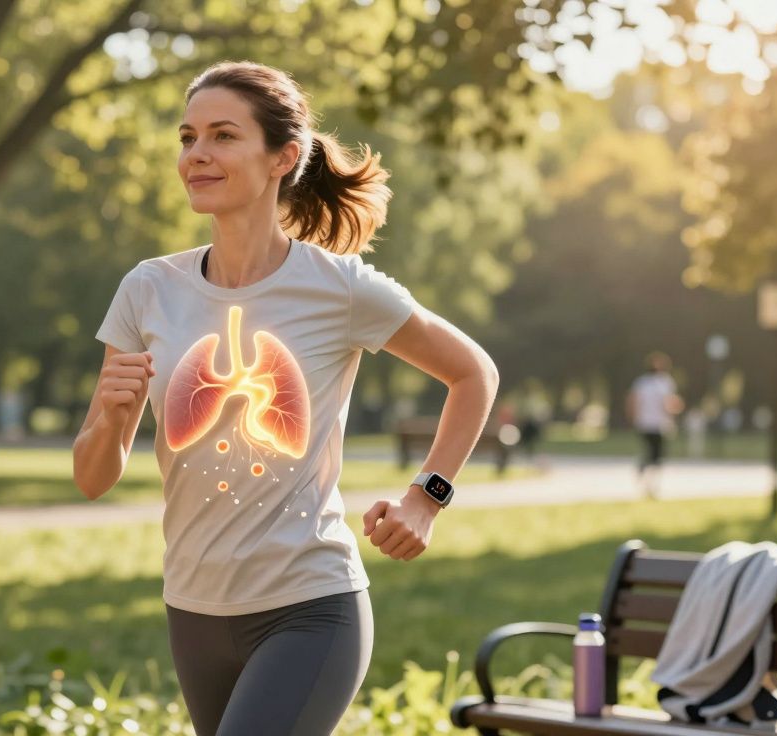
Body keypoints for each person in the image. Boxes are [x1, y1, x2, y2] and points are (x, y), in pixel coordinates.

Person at [72, 61, 499, 736]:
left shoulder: (339, 289)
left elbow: (473, 372)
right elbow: (93, 477)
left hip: (310, 606)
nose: (196, 155)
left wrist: (427, 497)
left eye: (222, 135)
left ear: (283, 157)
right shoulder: (148, 290)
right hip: (193, 609)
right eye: (187, 138)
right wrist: (112, 417)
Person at [626, 351, 684, 498]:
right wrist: (633, 418)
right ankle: (645, 476)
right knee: (651, 453)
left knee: (657, 456)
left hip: (660, 424)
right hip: (645, 423)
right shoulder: (642, 382)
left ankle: (650, 484)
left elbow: (670, 403)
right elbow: (633, 401)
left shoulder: (665, 382)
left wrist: (673, 413)